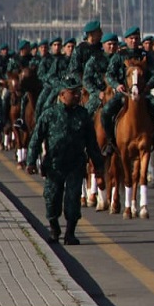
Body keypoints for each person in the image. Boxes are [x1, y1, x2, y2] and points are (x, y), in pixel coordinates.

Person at [26, 74, 106, 245]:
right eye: (73, 92)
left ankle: (70, 233)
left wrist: (99, 166)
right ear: (62, 95)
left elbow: (92, 143)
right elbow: (36, 138)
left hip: (75, 164)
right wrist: (31, 161)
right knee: (52, 198)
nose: (77, 96)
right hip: (54, 165)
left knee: (73, 199)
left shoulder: (83, 115)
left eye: (78, 92)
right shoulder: (49, 114)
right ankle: (54, 229)